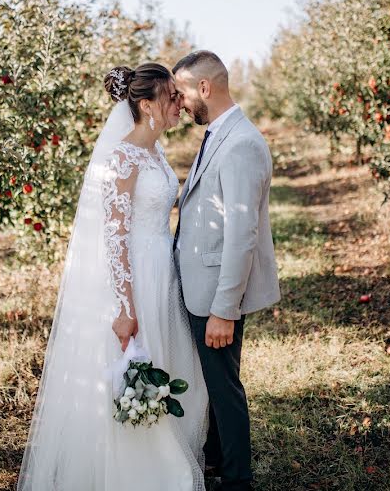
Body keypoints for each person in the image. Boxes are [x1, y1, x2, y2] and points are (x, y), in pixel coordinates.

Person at [18, 63, 209, 490]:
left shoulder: (154, 151)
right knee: (136, 370)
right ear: (147, 105)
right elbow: (115, 236)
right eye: (171, 97)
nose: (180, 103)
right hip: (136, 279)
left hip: (163, 274)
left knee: (167, 368)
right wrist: (125, 307)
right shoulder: (122, 157)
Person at [173, 50, 281, 491]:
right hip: (202, 283)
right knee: (213, 386)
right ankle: (216, 461)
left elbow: (242, 235)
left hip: (217, 291)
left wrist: (224, 309)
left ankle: (237, 480)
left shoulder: (241, 143)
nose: (178, 103)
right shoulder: (219, 133)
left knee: (224, 389)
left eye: (180, 92)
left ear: (204, 88)